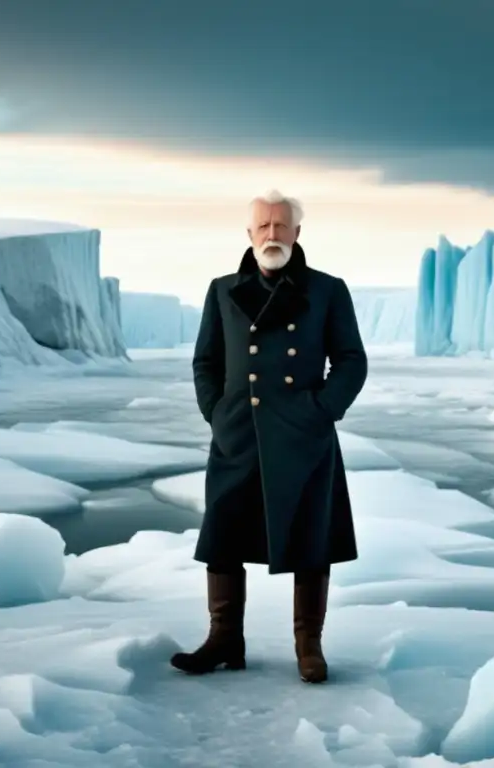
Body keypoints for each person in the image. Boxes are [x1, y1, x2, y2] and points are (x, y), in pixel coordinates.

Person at [170, 189, 368, 684]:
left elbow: (350, 361)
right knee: (223, 536)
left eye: (282, 226)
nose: (273, 235)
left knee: (310, 540)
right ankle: (223, 640)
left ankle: (308, 646)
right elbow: (206, 362)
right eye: (264, 227)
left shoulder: (327, 290)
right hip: (238, 433)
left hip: (303, 436)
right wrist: (217, 413)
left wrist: (321, 409)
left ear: (298, 233)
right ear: (250, 234)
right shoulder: (222, 290)